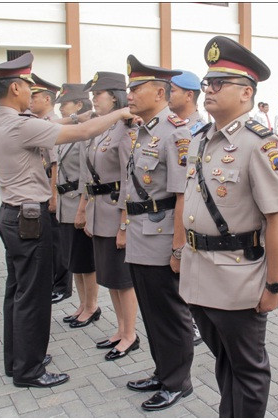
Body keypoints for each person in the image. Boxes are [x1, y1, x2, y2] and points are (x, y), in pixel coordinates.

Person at [0, 52, 135, 388]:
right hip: (29, 219)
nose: (32, 92)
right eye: (29, 86)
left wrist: (91, 111)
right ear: (17, 88)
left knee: (16, 292)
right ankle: (30, 369)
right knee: (32, 297)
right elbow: (82, 133)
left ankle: (17, 359)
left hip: (13, 215)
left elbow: (62, 123)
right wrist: (121, 112)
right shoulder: (21, 125)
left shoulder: (4, 122)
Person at [180, 35, 278, 417]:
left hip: (237, 278)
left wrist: (274, 285)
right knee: (224, 359)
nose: (207, 90)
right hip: (199, 273)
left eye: (218, 84)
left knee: (247, 368)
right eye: (207, 83)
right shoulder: (199, 139)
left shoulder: (260, 144)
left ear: (246, 93)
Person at [122, 55, 194, 411]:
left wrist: (178, 248)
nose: (130, 93)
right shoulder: (144, 130)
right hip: (140, 235)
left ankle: (178, 382)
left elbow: (182, 195)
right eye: (129, 87)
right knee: (151, 312)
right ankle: (163, 370)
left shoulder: (175, 132)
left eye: (136, 88)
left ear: (159, 91)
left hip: (163, 237)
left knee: (169, 312)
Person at [77, 71, 139, 359]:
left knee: (123, 281)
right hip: (100, 213)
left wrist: (125, 224)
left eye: (97, 94)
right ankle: (120, 329)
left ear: (114, 97)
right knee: (111, 279)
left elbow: (129, 180)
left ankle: (131, 334)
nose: (93, 99)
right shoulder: (102, 128)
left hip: (116, 215)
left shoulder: (126, 130)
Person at [53, 83, 101, 329]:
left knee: (85, 261)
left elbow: (86, 173)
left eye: (65, 104)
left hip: (78, 202)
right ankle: (82, 304)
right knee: (74, 261)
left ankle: (92, 306)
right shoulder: (67, 132)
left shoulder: (86, 133)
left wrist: (83, 208)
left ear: (79, 105)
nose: (61, 108)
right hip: (64, 204)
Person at [168, 70, 206, 346]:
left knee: (190, 273)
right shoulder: (174, 126)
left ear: (189, 95)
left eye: (173, 90)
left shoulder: (197, 130)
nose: (168, 95)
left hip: (192, 211)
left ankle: (194, 324)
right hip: (176, 212)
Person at [29, 74, 73, 305]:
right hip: (42, 189)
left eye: (34, 96)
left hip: (50, 189)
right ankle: (54, 282)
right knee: (51, 241)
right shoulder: (39, 122)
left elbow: (55, 163)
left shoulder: (53, 125)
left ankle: (62, 286)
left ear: (47, 99)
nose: (30, 99)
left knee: (58, 244)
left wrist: (53, 196)